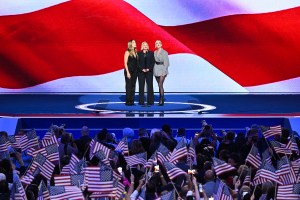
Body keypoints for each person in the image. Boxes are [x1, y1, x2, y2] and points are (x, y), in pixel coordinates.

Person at [137, 41, 155, 106]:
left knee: (150, 86)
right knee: (141, 87)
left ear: (148, 46)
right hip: (141, 72)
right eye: (144, 45)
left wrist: (148, 69)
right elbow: (137, 63)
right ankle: (141, 101)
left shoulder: (151, 53)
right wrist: (142, 69)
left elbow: (153, 62)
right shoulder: (138, 53)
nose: (145, 46)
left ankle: (150, 101)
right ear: (142, 46)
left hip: (149, 72)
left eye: (146, 44)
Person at [153, 40, 169, 106]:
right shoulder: (154, 52)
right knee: (159, 85)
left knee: (160, 84)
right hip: (156, 68)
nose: (158, 44)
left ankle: (161, 100)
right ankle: (161, 98)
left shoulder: (165, 52)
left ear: (161, 44)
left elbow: (166, 63)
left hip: (162, 69)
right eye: (156, 43)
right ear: (155, 45)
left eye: (159, 43)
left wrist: (164, 71)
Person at [124, 39, 138, 106]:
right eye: (133, 42)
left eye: (135, 42)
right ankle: (128, 101)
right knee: (128, 86)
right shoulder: (127, 52)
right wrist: (127, 72)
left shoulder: (136, 52)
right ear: (130, 44)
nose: (135, 43)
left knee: (133, 86)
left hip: (135, 71)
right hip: (129, 71)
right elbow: (125, 63)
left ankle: (132, 100)